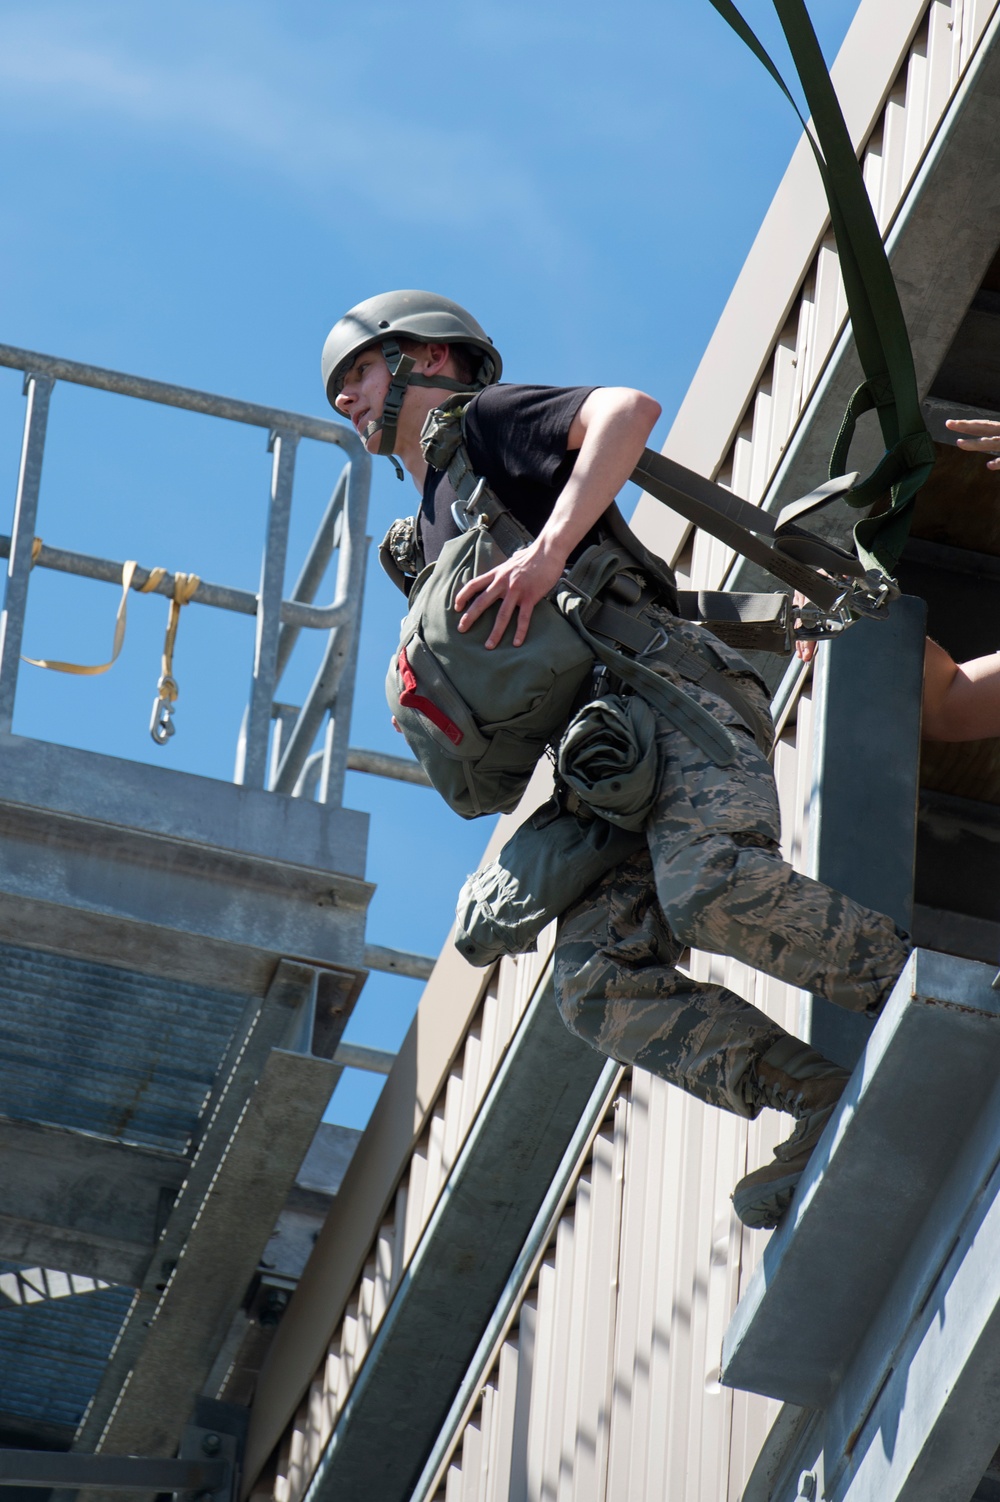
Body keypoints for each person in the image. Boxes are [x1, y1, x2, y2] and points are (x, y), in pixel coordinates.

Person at [322, 290, 911, 1230]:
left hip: (675, 695)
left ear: (424, 360)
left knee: (709, 883)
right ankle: (819, 1098)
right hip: (607, 761)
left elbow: (627, 412)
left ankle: (927, 991)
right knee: (600, 987)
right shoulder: (427, 529)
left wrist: (549, 553)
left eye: (355, 373)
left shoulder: (488, 428)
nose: (344, 401)